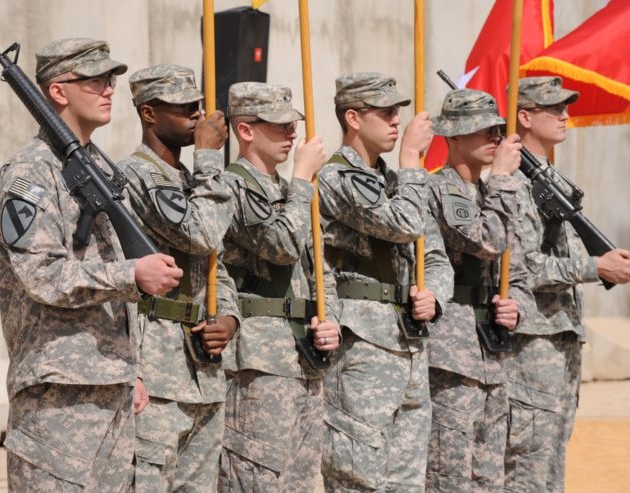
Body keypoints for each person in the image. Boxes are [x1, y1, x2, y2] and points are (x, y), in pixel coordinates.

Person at [0, 38, 182, 492]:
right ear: (58, 90)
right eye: (95, 79)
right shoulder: (29, 175)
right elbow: (44, 275)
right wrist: (131, 275)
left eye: (110, 79)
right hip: (58, 397)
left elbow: (101, 261)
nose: (109, 88)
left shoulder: (96, 165)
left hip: (109, 388)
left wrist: (128, 367)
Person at [317, 72, 453, 492]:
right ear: (353, 118)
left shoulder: (397, 182)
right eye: (386, 112)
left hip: (410, 344)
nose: (397, 121)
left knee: (407, 481)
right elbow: (403, 223)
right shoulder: (335, 178)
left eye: (399, 112)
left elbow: (434, 256)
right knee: (359, 477)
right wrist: (412, 160)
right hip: (363, 348)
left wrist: (435, 296)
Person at [116, 64, 240, 492]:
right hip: (158, 370)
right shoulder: (137, 174)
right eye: (184, 107)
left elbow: (216, 264)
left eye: (199, 106)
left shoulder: (192, 181)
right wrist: (209, 155)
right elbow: (201, 231)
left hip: (203, 372)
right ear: (149, 114)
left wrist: (228, 318)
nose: (196, 115)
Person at [504, 76, 630, 493]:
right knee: (526, 466)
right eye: (553, 108)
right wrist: (596, 267)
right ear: (524, 116)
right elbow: (522, 268)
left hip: (560, 336)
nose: (565, 115)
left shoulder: (550, 179)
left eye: (564, 107)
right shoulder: (514, 184)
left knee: (552, 458)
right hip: (531, 340)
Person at [217, 82, 341, 492]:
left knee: (302, 482)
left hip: (304, 357)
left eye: (292, 126)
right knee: (257, 478)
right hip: (260, 361)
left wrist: (330, 320)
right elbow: (282, 246)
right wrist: (304, 177)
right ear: (246, 129)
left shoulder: (291, 193)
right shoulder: (231, 186)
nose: (291, 135)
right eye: (279, 126)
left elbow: (320, 269)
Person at [424, 89, 534, 492]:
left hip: (493, 353)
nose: (494, 137)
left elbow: (518, 271)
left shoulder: (494, 194)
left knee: (490, 478)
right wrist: (503, 179)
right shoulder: (440, 189)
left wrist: (516, 307)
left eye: (497, 130)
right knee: (448, 476)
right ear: (452, 137)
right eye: (482, 130)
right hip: (452, 356)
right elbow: (485, 240)